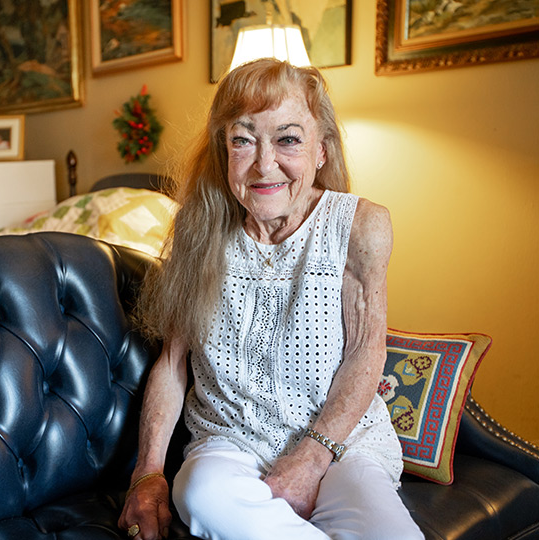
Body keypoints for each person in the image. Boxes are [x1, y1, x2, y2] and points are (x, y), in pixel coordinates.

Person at [118, 59, 423, 540]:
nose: (264, 164)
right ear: (223, 150)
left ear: (321, 149)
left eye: (287, 139)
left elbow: (368, 351)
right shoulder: (198, 234)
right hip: (228, 444)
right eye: (243, 139)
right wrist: (148, 471)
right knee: (199, 495)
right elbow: (172, 365)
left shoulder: (361, 226)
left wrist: (311, 459)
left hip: (342, 443)